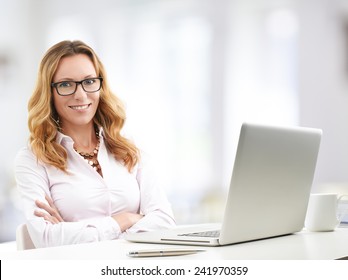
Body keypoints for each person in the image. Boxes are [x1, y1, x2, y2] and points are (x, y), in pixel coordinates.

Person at [14, 40, 175, 248]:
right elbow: (47, 238)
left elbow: (165, 222)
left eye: (89, 81)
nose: (80, 95)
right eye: (65, 84)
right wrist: (125, 220)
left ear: (100, 85)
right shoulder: (33, 159)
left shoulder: (129, 151)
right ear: (49, 93)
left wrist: (74, 233)